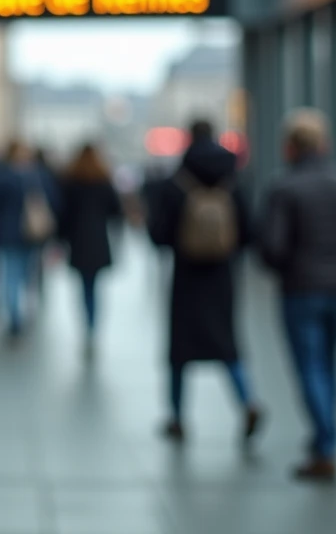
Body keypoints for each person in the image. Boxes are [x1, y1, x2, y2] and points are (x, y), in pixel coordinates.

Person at [259, 109, 336, 481]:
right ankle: (326, 438)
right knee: (328, 363)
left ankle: (326, 444)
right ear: (324, 144)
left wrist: (288, 267)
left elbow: (271, 248)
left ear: (289, 146)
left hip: (301, 290)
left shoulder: (284, 188)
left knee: (310, 366)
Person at [147, 120, 263, 444]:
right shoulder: (233, 179)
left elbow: (158, 233)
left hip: (186, 275)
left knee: (180, 349)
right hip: (222, 275)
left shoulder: (178, 181)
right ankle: (247, 402)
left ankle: (177, 417)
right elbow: (249, 232)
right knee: (227, 343)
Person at [0, 140, 61, 338]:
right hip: (31, 235)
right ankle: (18, 312)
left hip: (4, 234)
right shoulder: (38, 176)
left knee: (9, 275)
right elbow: (55, 202)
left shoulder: (0, 176)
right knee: (24, 275)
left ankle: (14, 317)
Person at [59, 143, 122, 355]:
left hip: (78, 240)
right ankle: (93, 327)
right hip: (98, 239)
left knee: (83, 287)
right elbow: (115, 210)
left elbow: (63, 212)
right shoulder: (103, 180)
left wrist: (61, 238)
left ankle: (87, 326)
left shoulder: (71, 181)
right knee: (94, 287)